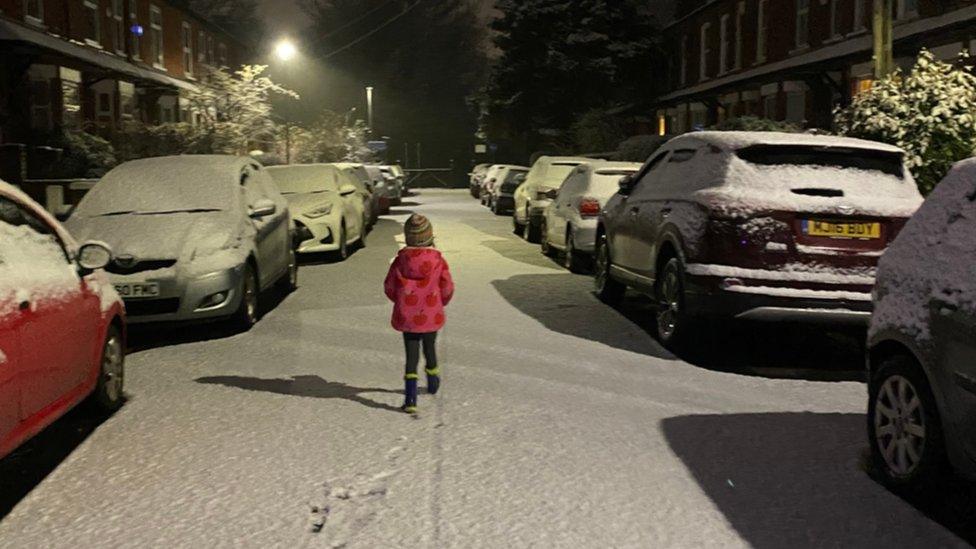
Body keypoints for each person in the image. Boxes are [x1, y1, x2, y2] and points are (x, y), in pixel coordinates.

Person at [384, 214, 454, 414]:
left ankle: (411, 399)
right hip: (431, 314)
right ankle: (433, 382)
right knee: (430, 348)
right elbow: (447, 286)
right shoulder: (438, 261)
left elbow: (389, 286)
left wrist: (401, 302)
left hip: (407, 316)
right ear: (429, 237)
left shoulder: (399, 262)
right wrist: (441, 302)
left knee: (411, 355)